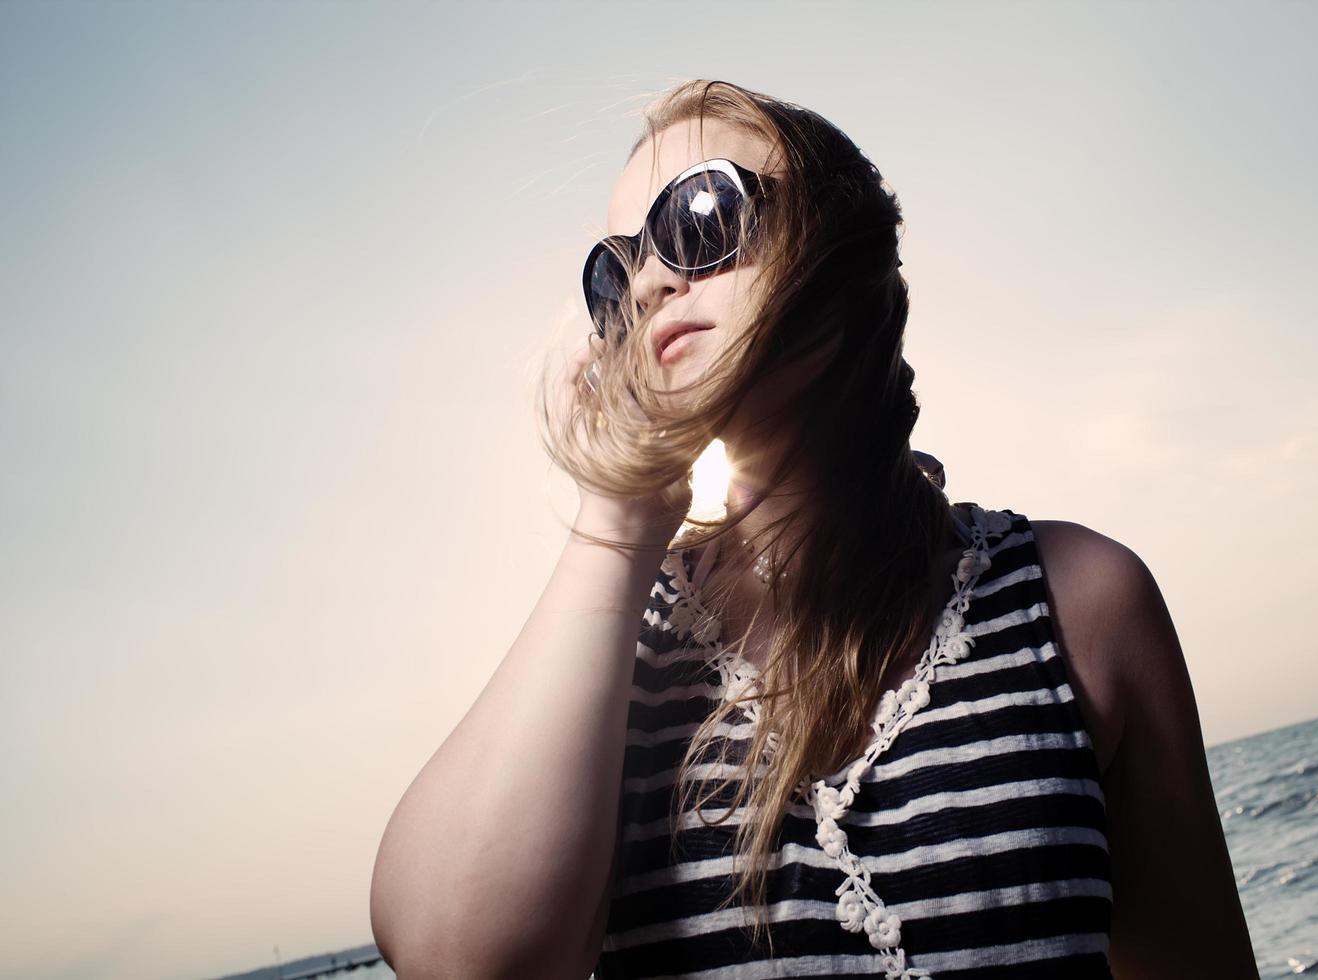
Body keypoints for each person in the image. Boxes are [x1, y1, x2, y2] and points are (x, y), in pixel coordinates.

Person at [369, 79, 1260, 979]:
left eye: (703, 213)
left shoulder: (1078, 603)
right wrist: (617, 520)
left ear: (843, 250)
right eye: (616, 269)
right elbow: (462, 964)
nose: (650, 281)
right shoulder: (609, 672)